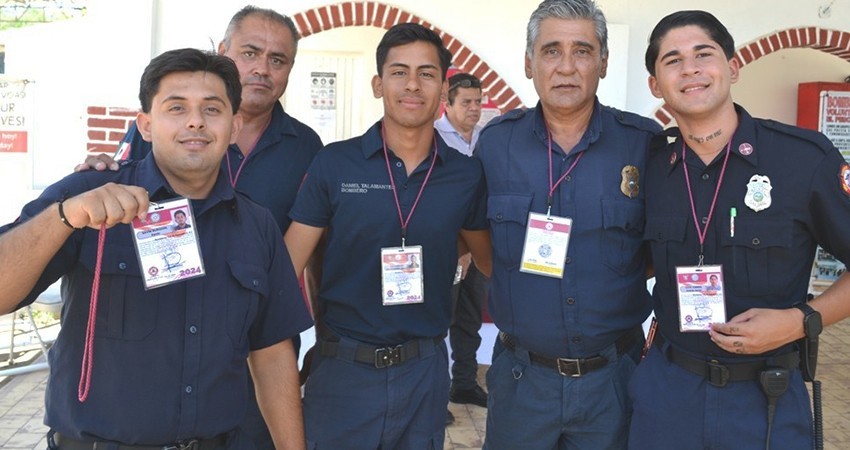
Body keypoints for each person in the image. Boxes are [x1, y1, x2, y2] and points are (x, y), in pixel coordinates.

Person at [0, 48, 312, 450]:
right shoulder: (87, 196)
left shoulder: (256, 225)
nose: (195, 121)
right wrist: (62, 217)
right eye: (176, 107)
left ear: (234, 127)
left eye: (212, 109)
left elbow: (271, 354)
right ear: (145, 125)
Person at [76, 7, 323, 449]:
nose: (262, 69)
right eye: (250, 53)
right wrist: (92, 176)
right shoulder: (169, 124)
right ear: (223, 51)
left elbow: (312, 240)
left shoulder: (307, 146)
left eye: (277, 60)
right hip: (164, 332)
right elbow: (123, 180)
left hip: (254, 334)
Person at [630, 10, 850, 449]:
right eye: (672, 60)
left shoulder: (803, 159)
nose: (690, 69)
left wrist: (802, 320)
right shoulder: (647, 166)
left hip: (766, 397)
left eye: (703, 54)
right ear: (656, 85)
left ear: (732, 67)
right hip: (667, 394)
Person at [283, 22, 492, 449]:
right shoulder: (335, 164)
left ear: (443, 89)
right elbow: (288, 267)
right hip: (344, 370)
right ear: (378, 84)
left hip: (424, 371)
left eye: (426, 73)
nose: (412, 84)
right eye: (399, 72)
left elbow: (489, 261)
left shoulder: (466, 175)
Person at [475, 0, 660, 448]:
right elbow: (482, 249)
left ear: (603, 63)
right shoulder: (496, 144)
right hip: (522, 382)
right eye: (551, 50)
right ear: (529, 63)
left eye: (582, 51)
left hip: (614, 381)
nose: (566, 67)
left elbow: (657, 251)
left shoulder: (643, 144)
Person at [435, 72, 489, 413]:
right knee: (439, 319)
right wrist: (459, 249)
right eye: (467, 102)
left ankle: (465, 383)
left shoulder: (486, 138)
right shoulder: (432, 136)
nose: (474, 108)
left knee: (470, 318)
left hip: (480, 244)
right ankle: (435, 396)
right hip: (446, 249)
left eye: (478, 102)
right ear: (448, 104)